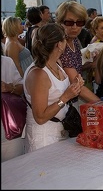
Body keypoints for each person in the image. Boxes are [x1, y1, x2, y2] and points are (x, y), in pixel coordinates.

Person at [23, 23, 86, 152]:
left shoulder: (56, 64)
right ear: (59, 44)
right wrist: (66, 97)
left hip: (60, 131)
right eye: (65, 39)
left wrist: (74, 86)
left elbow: (56, 91)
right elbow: (40, 117)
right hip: (44, 137)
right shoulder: (39, 73)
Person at [55, 0, 100, 104]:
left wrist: (92, 64)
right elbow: (75, 84)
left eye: (79, 23)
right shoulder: (61, 45)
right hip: (63, 104)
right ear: (60, 22)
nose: (75, 27)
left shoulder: (74, 40)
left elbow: (75, 68)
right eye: (69, 22)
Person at [1, 44, 25, 162]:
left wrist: (9, 87)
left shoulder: (6, 63)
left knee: (15, 172)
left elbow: (22, 87)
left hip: (9, 133)